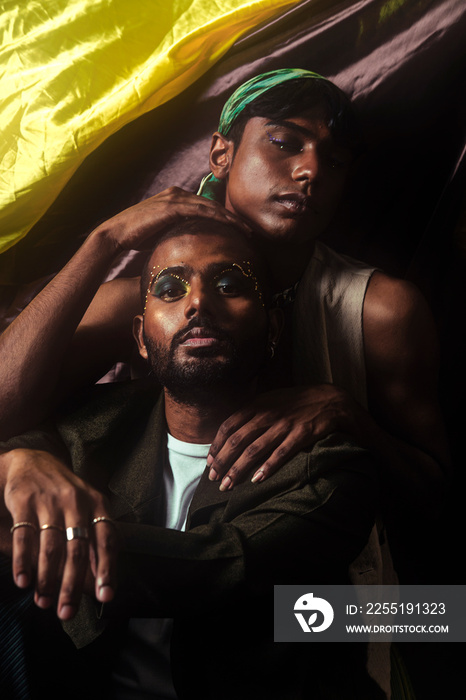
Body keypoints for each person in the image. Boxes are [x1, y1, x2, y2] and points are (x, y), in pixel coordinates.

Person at [0, 69, 449, 530]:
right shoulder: (148, 303)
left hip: (324, 587)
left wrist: (346, 413)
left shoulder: (379, 311)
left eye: (334, 161)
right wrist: (104, 241)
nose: (310, 171)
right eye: (284, 142)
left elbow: (437, 495)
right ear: (221, 154)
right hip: (153, 562)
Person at [0, 218, 387, 699]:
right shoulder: (91, 423)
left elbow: (214, 568)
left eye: (229, 284)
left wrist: (25, 538)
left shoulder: (327, 466)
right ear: (140, 338)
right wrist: (17, 461)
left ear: (273, 327)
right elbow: (21, 435)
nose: (198, 302)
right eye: (169, 288)